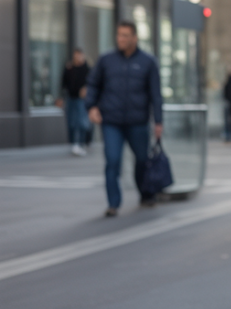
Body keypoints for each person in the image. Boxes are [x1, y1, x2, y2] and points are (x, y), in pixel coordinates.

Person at [85, 21, 164, 217]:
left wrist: (159, 121)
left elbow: (156, 94)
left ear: (135, 38)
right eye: (119, 35)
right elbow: (93, 84)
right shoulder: (106, 60)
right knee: (112, 161)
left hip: (138, 121)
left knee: (142, 159)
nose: (120, 39)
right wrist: (91, 106)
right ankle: (113, 203)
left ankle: (146, 195)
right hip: (111, 121)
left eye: (125, 36)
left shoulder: (148, 62)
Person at [58, 48, 91, 156]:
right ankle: (74, 143)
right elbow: (63, 83)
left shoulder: (87, 68)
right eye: (75, 55)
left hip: (82, 99)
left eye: (79, 55)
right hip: (71, 98)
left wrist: (86, 89)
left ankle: (81, 143)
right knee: (71, 122)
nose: (77, 57)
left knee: (82, 122)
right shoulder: (69, 67)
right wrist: (61, 97)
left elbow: (93, 82)